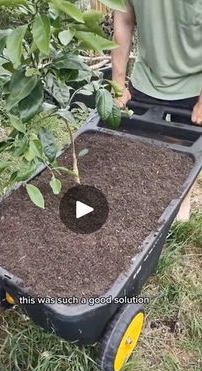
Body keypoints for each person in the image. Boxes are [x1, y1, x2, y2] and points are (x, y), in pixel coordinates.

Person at [112, 0, 202, 221]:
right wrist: (117, 85)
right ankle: (147, 204)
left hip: (194, 80)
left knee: (185, 151)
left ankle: (181, 207)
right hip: (148, 77)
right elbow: (123, 18)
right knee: (143, 148)